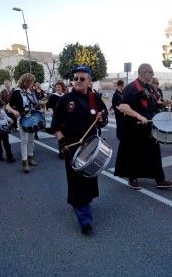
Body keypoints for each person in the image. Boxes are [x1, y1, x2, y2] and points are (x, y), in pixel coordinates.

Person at [51, 65, 108, 235]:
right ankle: (85, 220)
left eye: (82, 79)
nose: (77, 81)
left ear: (90, 81)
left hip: (91, 144)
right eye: (75, 78)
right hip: (72, 145)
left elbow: (103, 120)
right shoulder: (65, 99)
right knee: (76, 181)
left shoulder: (94, 98)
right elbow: (55, 125)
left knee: (89, 177)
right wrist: (62, 143)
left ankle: (82, 202)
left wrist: (101, 118)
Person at [114, 63, 172, 190]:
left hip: (149, 126)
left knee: (154, 152)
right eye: (151, 72)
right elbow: (122, 106)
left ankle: (160, 179)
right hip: (134, 127)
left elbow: (155, 102)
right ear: (143, 72)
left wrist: (164, 102)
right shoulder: (132, 87)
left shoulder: (150, 88)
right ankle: (132, 178)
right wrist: (138, 116)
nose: (152, 74)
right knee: (134, 152)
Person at [6, 73, 39, 173]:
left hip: (32, 118)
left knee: (31, 139)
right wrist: (14, 111)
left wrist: (40, 107)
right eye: (31, 81)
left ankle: (30, 157)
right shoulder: (17, 92)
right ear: (26, 82)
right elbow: (8, 106)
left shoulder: (31, 91)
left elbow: (35, 104)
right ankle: (25, 162)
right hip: (23, 118)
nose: (32, 83)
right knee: (24, 140)